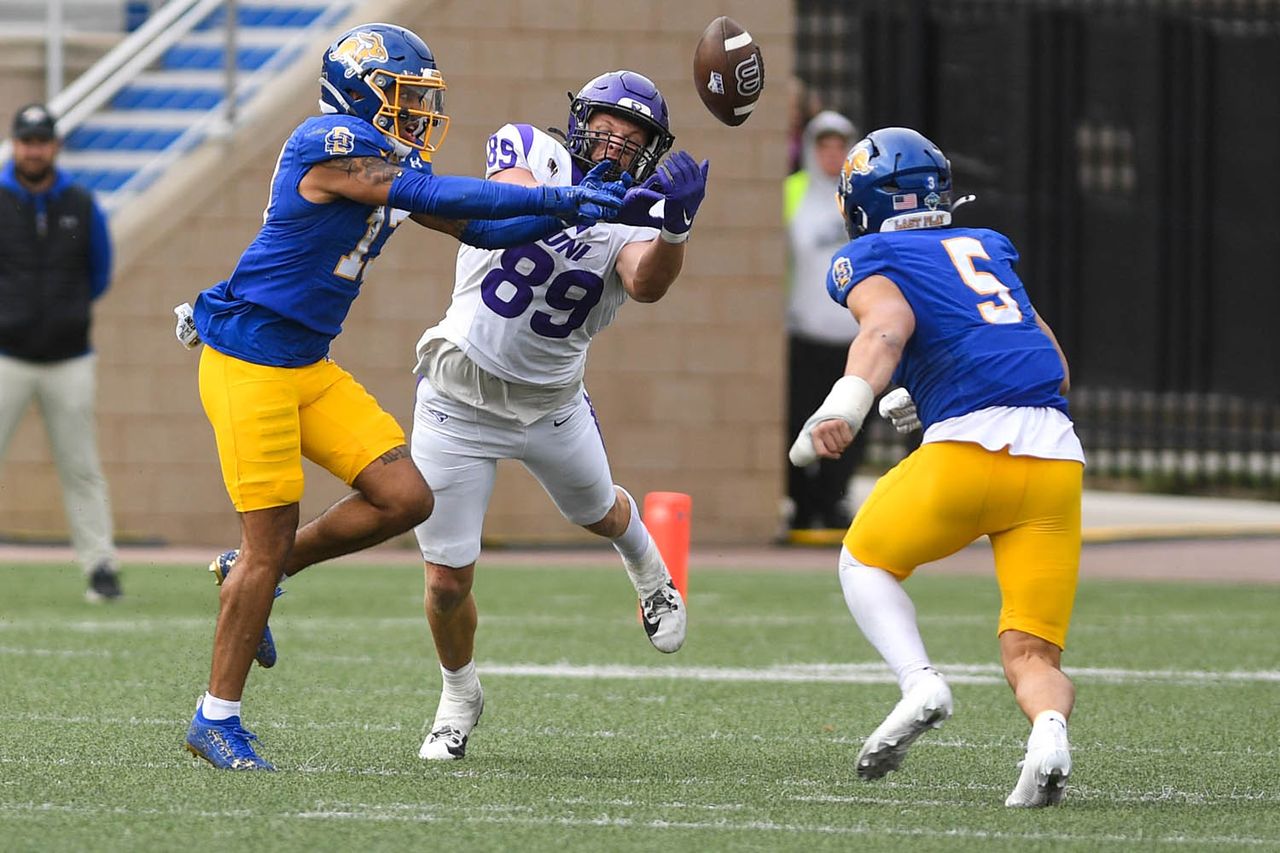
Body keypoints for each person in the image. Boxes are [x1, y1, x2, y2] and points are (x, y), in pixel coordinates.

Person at [177, 22, 629, 772]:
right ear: (361, 90)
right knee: (267, 542)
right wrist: (564, 192)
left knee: (404, 495)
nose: (416, 113)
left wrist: (574, 210)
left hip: (306, 362)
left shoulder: (383, 162)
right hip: (249, 362)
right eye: (404, 97)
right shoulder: (325, 142)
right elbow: (431, 188)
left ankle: (258, 572)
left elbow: (483, 226)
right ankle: (215, 716)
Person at [408, 70, 704, 760]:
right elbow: (504, 202)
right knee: (447, 581)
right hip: (458, 398)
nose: (615, 143)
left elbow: (645, 283)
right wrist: (573, 202)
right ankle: (458, 695)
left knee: (600, 511)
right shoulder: (528, 151)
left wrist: (678, 228)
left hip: (550, 402)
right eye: (604, 125)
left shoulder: (639, 209)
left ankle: (649, 569)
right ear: (578, 122)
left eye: (633, 138)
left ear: (650, 152)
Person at [788, 127, 1084, 807]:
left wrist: (846, 404)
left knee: (863, 558)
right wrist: (927, 393)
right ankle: (1048, 733)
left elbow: (886, 326)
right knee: (1031, 653)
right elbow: (1054, 368)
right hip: (1055, 462)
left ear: (864, 198)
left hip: (969, 455)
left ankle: (921, 682)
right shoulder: (988, 245)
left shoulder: (869, 252)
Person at [0, 103, 121, 602]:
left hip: (70, 356)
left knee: (81, 466)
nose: (34, 149)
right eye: (26, 140)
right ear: (15, 145)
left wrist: (64, 315)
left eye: (41, 140)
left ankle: (100, 567)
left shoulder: (80, 201)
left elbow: (100, 273)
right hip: (6, 355)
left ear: (55, 145)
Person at [784, 110, 863, 533]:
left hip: (854, 338)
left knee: (849, 422)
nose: (832, 156)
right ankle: (801, 501)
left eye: (840, 148)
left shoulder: (863, 194)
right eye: (824, 147)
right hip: (804, 332)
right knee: (798, 419)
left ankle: (835, 500)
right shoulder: (791, 193)